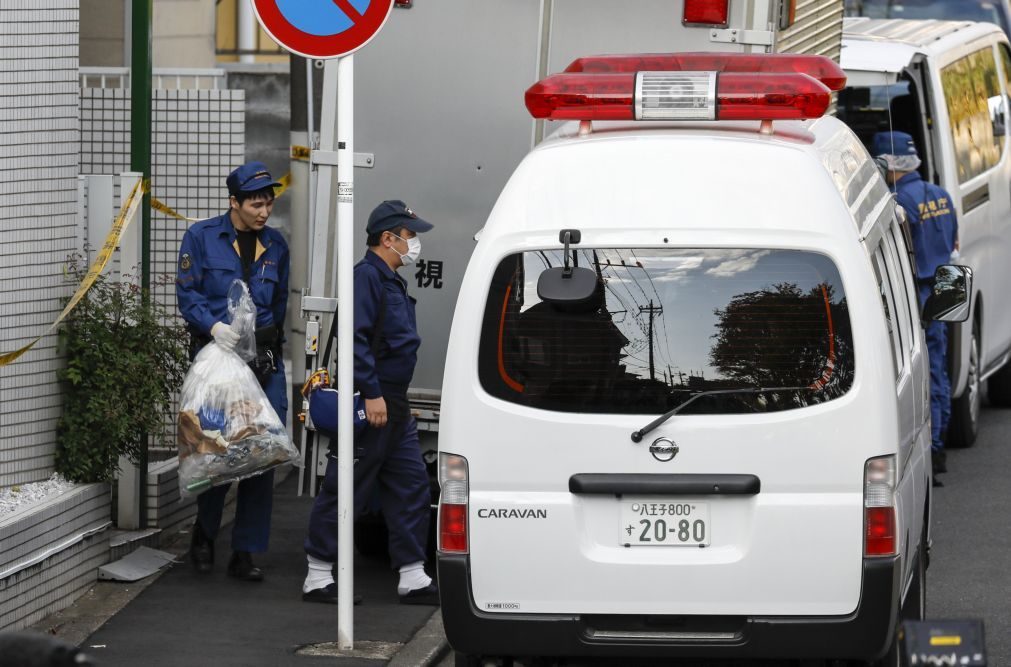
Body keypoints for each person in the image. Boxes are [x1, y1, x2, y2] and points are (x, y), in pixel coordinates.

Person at [302, 200, 438, 605]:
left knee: (411, 486)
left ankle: (412, 575)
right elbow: (356, 340)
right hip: (371, 400)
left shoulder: (389, 280)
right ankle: (317, 575)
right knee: (347, 488)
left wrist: (393, 398)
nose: (414, 245)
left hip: (393, 402)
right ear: (388, 238)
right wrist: (375, 393)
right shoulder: (367, 277)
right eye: (410, 236)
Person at [175, 161, 290, 580]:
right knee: (214, 453)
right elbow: (187, 295)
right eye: (255, 204)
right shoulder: (202, 237)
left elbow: (279, 307)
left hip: (262, 365)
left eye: (268, 203)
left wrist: (269, 349)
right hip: (218, 363)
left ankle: (245, 551)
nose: (263, 211)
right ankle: (204, 534)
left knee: (263, 451)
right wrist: (213, 326)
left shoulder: (276, 245)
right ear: (234, 203)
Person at [873, 131, 959, 485]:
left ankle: (922, 451)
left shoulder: (899, 202)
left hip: (917, 293)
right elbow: (953, 243)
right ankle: (938, 448)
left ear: (889, 164)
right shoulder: (942, 195)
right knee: (938, 369)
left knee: (911, 370)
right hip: (946, 287)